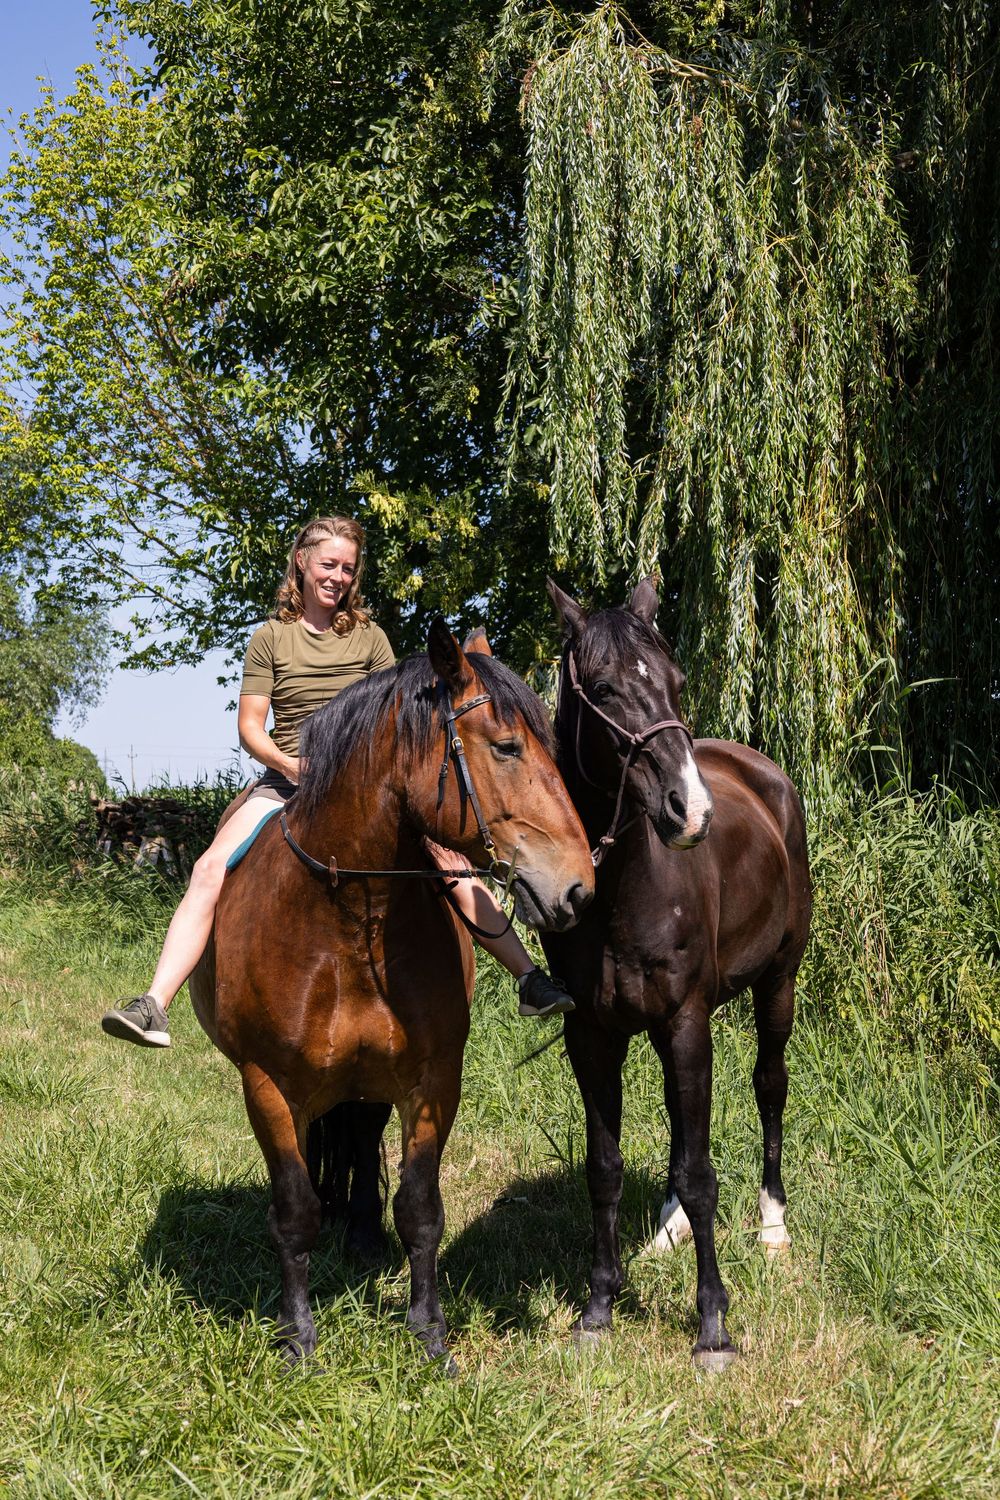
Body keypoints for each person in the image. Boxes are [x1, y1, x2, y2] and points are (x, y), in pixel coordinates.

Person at [101, 515, 574, 1048]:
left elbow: (400, 716)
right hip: (288, 784)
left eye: (348, 568)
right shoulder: (271, 639)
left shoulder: (370, 638)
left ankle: (528, 978)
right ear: (302, 562)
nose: (338, 577)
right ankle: (155, 1003)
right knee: (209, 868)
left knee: (455, 869)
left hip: (365, 793)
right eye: (329, 564)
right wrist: (290, 766)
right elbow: (250, 727)